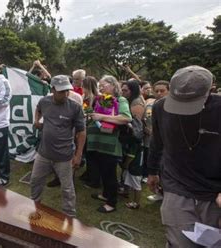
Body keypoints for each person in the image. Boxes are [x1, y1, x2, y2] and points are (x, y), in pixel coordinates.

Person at [147, 65, 221, 247]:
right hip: (176, 185)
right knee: (180, 243)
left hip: (214, 192)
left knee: (212, 243)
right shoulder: (160, 108)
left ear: (210, 90)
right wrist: (152, 170)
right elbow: (156, 142)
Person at [30, 75, 86, 217]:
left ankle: (69, 216)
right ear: (53, 89)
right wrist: (37, 121)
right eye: (61, 91)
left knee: (67, 189)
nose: (65, 94)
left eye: (67, 90)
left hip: (64, 157)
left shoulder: (75, 107)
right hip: (43, 154)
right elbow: (38, 108)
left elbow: (82, 132)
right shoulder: (45, 101)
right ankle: (35, 206)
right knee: (35, 181)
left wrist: (78, 155)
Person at [86, 75, 132, 213]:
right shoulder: (100, 99)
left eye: (103, 84)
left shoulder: (120, 99)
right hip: (97, 143)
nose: (100, 87)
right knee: (102, 171)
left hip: (110, 145)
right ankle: (105, 195)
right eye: (99, 85)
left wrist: (101, 117)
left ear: (113, 85)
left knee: (109, 174)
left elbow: (126, 118)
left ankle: (111, 203)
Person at [120, 80, 145, 209]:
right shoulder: (128, 101)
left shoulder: (136, 103)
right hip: (129, 141)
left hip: (134, 143)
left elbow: (136, 125)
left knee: (135, 178)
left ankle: (136, 202)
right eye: (122, 90)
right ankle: (125, 190)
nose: (122, 93)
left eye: (125, 90)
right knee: (128, 174)